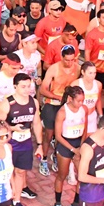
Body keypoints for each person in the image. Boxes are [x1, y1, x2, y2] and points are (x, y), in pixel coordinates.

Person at [0, 73, 42, 206]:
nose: (27, 89)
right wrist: (12, 128)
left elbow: (37, 123)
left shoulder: (34, 102)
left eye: (29, 86)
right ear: (15, 87)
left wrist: (40, 144)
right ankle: (4, 197)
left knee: (21, 172)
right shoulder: (7, 103)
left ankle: (16, 200)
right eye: (23, 87)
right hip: (9, 143)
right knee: (8, 172)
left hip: (25, 142)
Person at [37, 45, 80, 176]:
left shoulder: (77, 68)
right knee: (48, 134)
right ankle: (43, 159)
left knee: (60, 135)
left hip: (67, 106)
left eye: (72, 60)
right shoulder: (53, 68)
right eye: (67, 60)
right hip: (53, 103)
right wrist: (58, 97)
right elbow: (43, 89)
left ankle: (56, 156)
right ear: (62, 57)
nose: (70, 63)